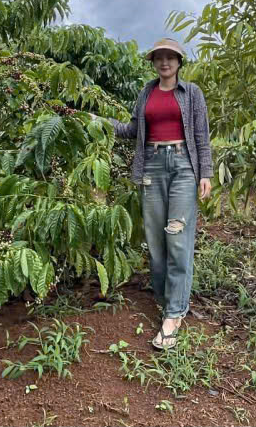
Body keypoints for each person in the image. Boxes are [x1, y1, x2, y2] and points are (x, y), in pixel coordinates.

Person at [104, 37, 212, 350]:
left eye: (171, 57)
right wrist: (100, 122)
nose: (165, 62)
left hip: (183, 166)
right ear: (153, 62)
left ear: (179, 62)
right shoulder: (146, 93)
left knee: (177, 236)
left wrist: (205, 173)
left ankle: (174, 314)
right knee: (155, 240)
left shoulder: (192, 93)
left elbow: (202, 136)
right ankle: (168, 300)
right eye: (159, 57)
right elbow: (132, 130)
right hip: (152, 166)